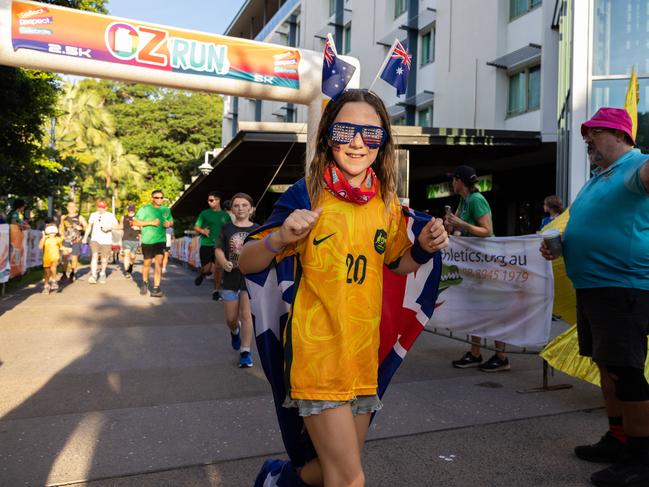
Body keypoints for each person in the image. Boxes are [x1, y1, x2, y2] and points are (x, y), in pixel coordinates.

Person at [240, 89, 448, 487]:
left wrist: (421, 250)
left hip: (362, 359)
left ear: (383, 141)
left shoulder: (385, 202)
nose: (357, 142)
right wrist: (279, 239)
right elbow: (247, 261)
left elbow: (395, 264)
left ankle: (279, 480)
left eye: (371, 133)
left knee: (329, 470)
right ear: (327, 136)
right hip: (318, 355)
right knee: (350, 479)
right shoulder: (307, 193)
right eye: (346, 131)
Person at [541, 107, 649, 487]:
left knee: (626, 371)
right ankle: (618, 439)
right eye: (586, 133)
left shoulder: (637, 166)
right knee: (608, 367)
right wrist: (562, 247)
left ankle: (641, 458)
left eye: (595, 132)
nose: (587, 138)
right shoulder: (598, 177)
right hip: (594, 289)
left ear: (621, 135)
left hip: (624, 287)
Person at [444, 165, 509, 372]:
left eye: (453, 180)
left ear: (460, 181)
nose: (452, 184)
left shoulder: (476, 200)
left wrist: (462, 226)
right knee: (475, 308)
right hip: (474, 263)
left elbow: (487, 231)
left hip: (486, 263)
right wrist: (451, 226)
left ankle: (502, 357)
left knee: (492, 308)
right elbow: (461, 231)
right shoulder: (464, 201)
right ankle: (475, 353)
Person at [215, 193, 259, 368]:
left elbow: (263, 250)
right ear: (232, 209)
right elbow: (218, 249)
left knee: (246, 315)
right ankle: (235, 331)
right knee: (231, 318)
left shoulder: (258, 229)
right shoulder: (226, 229)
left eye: (244, 205)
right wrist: (223, 261)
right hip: (230, 278)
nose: (240, 208)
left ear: (251, 209)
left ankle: (246, 351)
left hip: (250, 278)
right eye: (236, 205)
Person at [133, 190, 173, 297]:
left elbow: (171, 221)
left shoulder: (165, 210)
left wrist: (168, 223)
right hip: (148, 240)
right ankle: (145, 283)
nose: (159, 200)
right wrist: (150, 222)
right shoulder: (145, 209)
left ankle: (156, 287)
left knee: (158, 263)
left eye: (161, 198)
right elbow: (135, 222)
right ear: (152, 198)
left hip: (160, 240)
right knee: (147, 263)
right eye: (157, 197)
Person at [193, 192, 231, 300]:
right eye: (208, 200)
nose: (209, 202)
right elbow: (196, 227)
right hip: (206, 244)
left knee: (219, 268)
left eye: (211, 200)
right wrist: (202, 230)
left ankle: (216, 291)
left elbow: (229, 229)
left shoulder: (225, 215)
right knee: (206, 269)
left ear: (218, 200)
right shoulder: (204, 213)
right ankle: (202, 274)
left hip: (220, 245)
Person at [82, 200, 118, 284]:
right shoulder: (93, 215)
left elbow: (118, 226)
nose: (100, 209)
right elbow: (89, 226)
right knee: (94, 256)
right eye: (99, 207)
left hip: (106, 240)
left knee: (104, 259)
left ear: (106, 208)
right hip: (95, 239)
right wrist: (85, 237)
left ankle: (102, 273)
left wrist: (109, 228)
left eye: (102, 207)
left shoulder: (110, 215)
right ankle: (94, 275)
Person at [59, 201, 87, 282]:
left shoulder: (80, 217)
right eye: (70, 206)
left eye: (73, 207)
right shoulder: (64, 217)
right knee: (64, 257)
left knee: (74, 257)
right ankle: (64, 274)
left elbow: (86, 226)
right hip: (66, 240)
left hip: (76, 240)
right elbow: (61, 229)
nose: (71, 208)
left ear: (76, 208)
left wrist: (81, 227)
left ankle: (72, 273)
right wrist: (61, 221)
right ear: (67, 208)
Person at [39, 221, 62, 294]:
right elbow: (40, 247)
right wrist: (43, 238)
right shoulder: (45, 239)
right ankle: (46, 285)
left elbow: (61, 247)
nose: (52, 234)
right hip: (46, 258)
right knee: (47, 273)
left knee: (53, 266)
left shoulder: (58, 239)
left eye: (53, 232)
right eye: (50, 232)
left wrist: (66, 249)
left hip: (55, 257)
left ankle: (54, 280)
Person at [120, 204, 140, 279]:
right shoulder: (123, 217)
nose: (131, 211)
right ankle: (127, 271)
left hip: (135, 239)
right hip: (126, 238)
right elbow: (121, 226)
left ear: (134, 210)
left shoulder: (138, 217)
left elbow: (142, 227)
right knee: (126, 254)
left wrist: (138, 228)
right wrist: (112, 227)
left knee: (132, 256)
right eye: (129, 209)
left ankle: (131, 265)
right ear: (128, 210)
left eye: (132, 209)